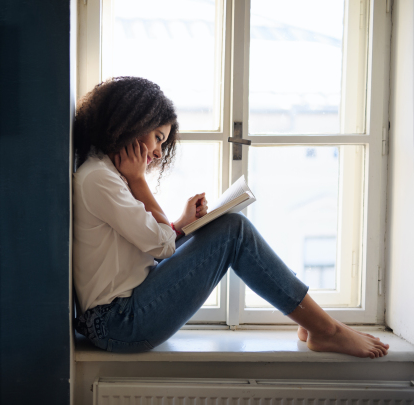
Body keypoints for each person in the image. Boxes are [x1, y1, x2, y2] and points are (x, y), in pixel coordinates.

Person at [72, 76, 389, 358]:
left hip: (119, 314)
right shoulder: (100, 178)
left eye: (162, 143)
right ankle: (325, 330)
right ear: (132, 120)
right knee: (233, 230)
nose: (157, 153)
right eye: (157, 137)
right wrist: (140, 182)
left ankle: (316, 323)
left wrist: (181, 224)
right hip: (118, 322)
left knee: (229, 227)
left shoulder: (104, 174)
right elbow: (161, 247)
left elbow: (146, 244)